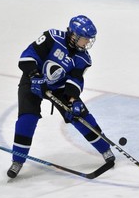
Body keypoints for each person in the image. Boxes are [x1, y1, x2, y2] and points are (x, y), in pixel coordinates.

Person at [7, 15, 115, 178]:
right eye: (84, 39)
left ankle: (104, 148)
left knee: (80, 116)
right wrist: (35, 75)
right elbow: (27, 57)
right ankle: (18, 160)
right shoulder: (51, 38)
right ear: (74, 35)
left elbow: (76, 79)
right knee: (27, 119)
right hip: (33, 81)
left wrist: (73, 100)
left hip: (59, 88)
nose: (87, 43)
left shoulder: (83, 58)